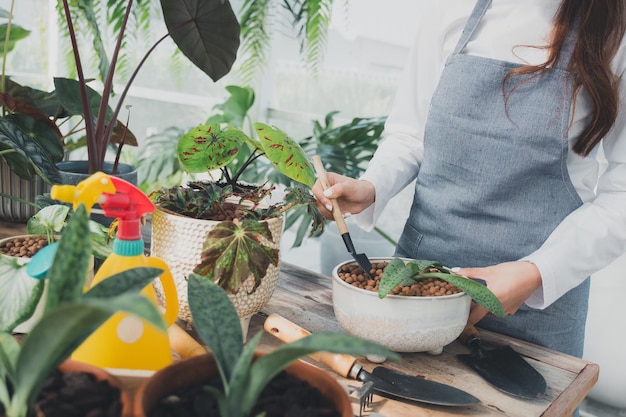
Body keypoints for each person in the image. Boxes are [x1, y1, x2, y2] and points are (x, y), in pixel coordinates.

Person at [312, 0, 626, 360]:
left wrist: (534, 273)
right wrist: (371, 187)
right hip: (419, 292)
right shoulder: (451, 6)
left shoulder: (615, 29)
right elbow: (411, 134)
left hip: (539, 306)